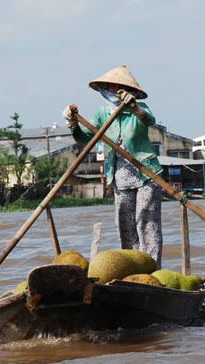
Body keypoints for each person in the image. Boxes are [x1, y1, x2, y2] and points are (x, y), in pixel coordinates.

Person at [62, 65, 163, 266]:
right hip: (119, 177)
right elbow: (85, 139)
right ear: (105, 88)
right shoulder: (102, 114)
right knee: (124, 224)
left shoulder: (138, 110)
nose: (114, 90)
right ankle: (133, 266)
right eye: (111, 86)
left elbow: (149, 120)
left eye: (119, 87)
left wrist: (133, 107)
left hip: (146, 174)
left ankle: (151, 266)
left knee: (146, 221)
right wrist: (73, 124)